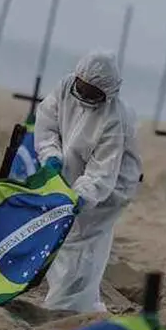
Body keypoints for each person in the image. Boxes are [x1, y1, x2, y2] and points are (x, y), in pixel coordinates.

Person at [34, 49, 143, 313]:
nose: (84, 96)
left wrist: (83, 195)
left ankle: (66, 307)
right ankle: (85, 305)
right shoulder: (65, 88)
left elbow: (102, 171)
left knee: (81, 243)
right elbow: (47, 123)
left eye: (92, 93)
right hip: (72, 175)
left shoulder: (114, 119)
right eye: (81, 88)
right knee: (69, 240)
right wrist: (50, 155)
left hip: (110, 189)